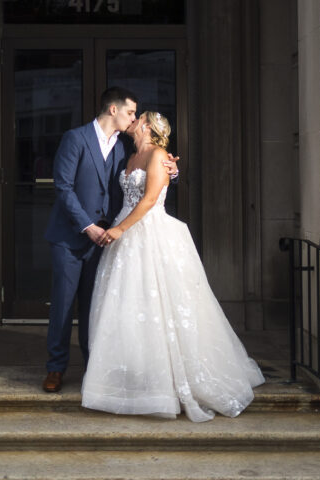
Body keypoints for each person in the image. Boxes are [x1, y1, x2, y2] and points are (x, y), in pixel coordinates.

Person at [81, 111, 265, 421]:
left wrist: (120, 229)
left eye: (138, 117)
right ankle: (134, 377)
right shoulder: (130, 154)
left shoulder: (159, 155)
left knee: (163, 306)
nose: (134, 119)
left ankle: (169, 380)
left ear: (148, 126)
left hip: (149, 233)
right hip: (125, 237)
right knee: (128, 307)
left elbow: (150, 198)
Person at [42, 88, 177, 393]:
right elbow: (63, 187)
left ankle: (93, 368)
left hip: (105, 241)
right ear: (113, 110)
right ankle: (55, 368)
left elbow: (147, 173)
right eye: (131, 112)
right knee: (63, 305)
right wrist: (86, 226)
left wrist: (174, 170)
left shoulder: (124, 150)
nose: (133, 119)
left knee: (95, 307)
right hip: (70, 237)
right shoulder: (75, 138)